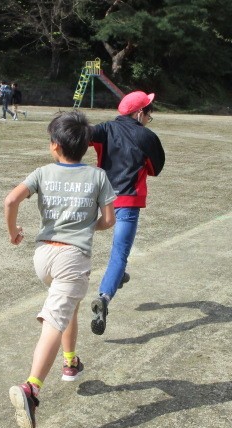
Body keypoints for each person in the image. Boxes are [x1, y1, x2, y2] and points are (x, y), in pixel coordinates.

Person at [4, 111, 116, 428]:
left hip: (43, 256)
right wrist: (87, 226)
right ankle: (31, 389)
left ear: (55, 145)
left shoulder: (42, 172)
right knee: (55, 318)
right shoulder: (98, 176)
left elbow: (11, 200)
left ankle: (70, 362)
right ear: (86, 146)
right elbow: (109, 220)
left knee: (69, 307)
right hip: (72, 258)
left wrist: (13, 233)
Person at [88, 90, 165, 336]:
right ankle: (105, 296)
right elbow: (155, 169)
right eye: (149, 113)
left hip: (103, 198)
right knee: (119, 253)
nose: (149, 117)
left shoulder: (104, 129)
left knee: (87, 239)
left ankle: (116, 276)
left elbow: (78, 136)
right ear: (140, 113)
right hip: (129, 201)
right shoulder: (147, 137)